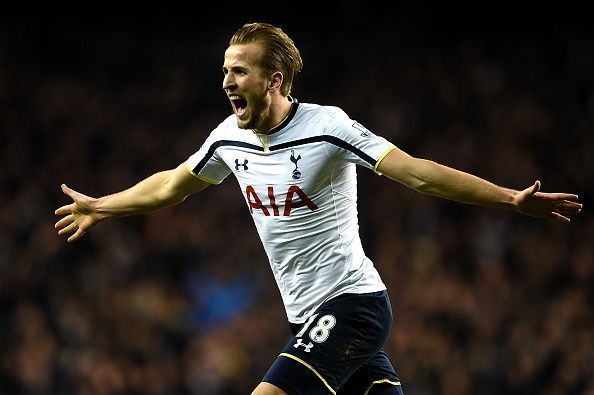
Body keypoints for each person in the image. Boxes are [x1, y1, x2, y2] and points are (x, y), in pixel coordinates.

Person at [54, 22, 582, 395]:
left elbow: (417, 172)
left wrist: (509, 198)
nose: (226, 82)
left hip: (353, 305)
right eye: (225, 71)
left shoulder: (327, 126)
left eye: (239, 71)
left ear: (274, 80)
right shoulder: (226, 140)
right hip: (304, 319)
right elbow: (172, 186)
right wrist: (102, 207)